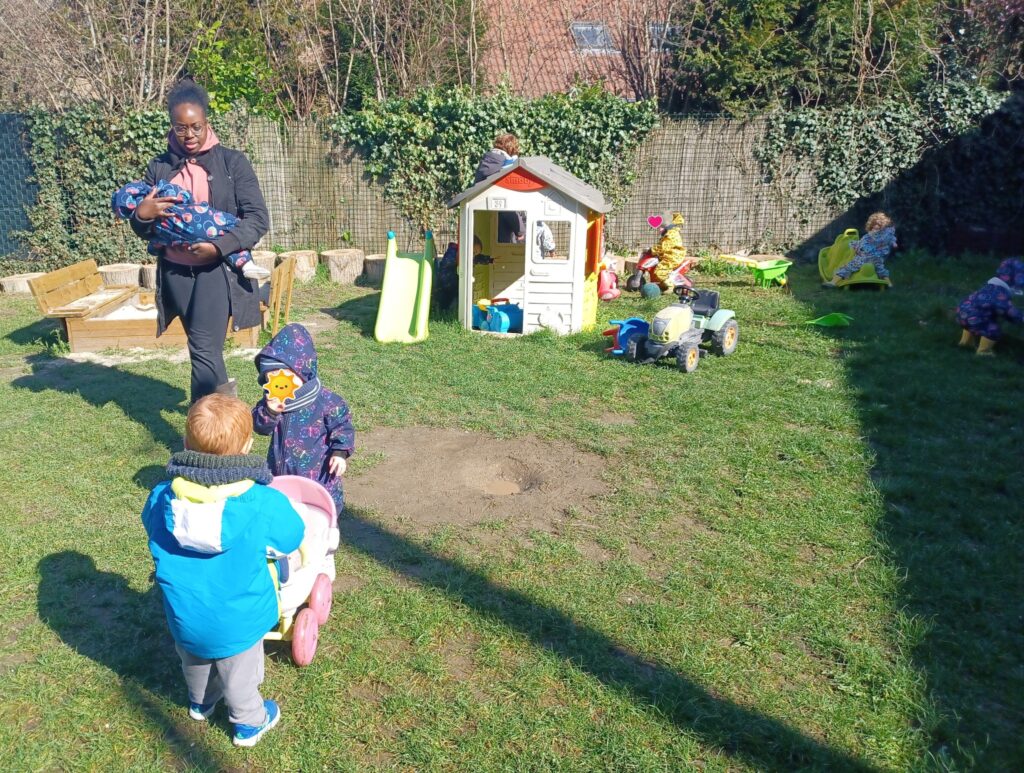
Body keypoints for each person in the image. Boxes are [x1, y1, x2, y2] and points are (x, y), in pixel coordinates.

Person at [141, 394, 304, 747]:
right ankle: (249, 722)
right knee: (240, 674)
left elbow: (150, 525)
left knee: (195, 662)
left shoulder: (160, 498)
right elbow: (292, 535)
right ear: (247, 446)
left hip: (184, 615)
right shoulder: (261, 502)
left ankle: (201, 702)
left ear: (186, 444)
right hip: (240, 618)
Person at [129, 78, 268, 402]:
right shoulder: (160, 168)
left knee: (204, 348)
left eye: (196, 127)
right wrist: (143, 215)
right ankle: (225, 419)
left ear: (207, 123)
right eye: (181, 128)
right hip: (175, 274)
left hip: (215, 272)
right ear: (172, 127)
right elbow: (145, 229)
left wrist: (218, 248)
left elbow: (258, 219)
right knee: (204, 352)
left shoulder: (233, 163)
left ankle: (202, 431)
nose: (189, 135)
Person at [252, 323, 355, 514]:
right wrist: (270, 412)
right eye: (269, 378)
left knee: (318, 516)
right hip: (280, 471)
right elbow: (260, 427)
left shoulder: (326, 401)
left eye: (281, 376)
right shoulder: (272, 401)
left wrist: (339, 453)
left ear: (301, 371)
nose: (276, 383)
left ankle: (325, 535)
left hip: (317, 476)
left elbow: (343, 427)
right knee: (284, 512)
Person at [113, 179, 270, 281]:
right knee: (229, 226)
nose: (189, 135)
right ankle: (246, 261)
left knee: (226, 239)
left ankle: (246, 261)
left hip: (187, 243)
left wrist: (142, 218)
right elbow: (182, 195)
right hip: (200, 220)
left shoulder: (157, 225)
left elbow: (154, 243)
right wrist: (141, 218)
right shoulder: (158, 186)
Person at [956, 257, 1024, 355]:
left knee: (972, 321)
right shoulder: (1000, 293)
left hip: (962, 313)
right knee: (993, 329)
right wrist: (1021, 317)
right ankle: (983, 351)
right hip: (974, 318)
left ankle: (965, 343)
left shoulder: (989, 286)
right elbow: (1007, 310)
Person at [823, 212, 897, 287]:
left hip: (870, 258)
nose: (876, 231)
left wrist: (893, 243)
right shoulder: (872, 237)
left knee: (879, 270)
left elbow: (890, 238)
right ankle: (833, 282)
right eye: (874, 228)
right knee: (878, 269)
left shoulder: (877, 238)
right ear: (871, 228)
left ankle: (889, 284)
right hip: (869, 258)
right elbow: (861, 245)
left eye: (878, 229)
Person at [474, 133, 524, 244]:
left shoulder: (485, 163)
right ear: (512, 149)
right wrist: (520, 230)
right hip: (502, 227)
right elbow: (504, 203)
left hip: (479, 221)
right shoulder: (507, 166)